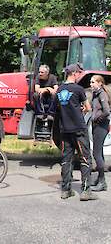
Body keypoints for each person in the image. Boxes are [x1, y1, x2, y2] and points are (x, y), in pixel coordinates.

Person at [56, 63, 97, 201]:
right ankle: (86, 191)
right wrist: (80, 110)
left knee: (66, 159)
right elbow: (88, 107)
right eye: (79, 72)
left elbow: (58, 109)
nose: (80, 74)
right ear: (74, 73)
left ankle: (66, 190)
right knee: (85, 158)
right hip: (79, 128)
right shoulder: (78, 89)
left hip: (65, 130)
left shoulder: (59, 89)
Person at [90, 75, 110, 192]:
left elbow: (106, 111)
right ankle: (99, 179)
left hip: (101, 126)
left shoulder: (102, 94)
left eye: (93, 82)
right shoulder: (95, 94)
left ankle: (102, 182)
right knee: (99, 152)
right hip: (96, 126)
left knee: (97, 154)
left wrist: (98, 119)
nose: (91, 84)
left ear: (100, 83)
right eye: (90, 82)